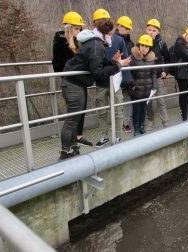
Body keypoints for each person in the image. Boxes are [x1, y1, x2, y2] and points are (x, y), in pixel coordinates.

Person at [59, 15, 131, 160]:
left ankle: (72, 148)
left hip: (74, 83)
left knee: (75, 117)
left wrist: (113, 61)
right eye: (110, 34)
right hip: (74, 85)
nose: (112, 37)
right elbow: (98, 73)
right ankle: (65, 151)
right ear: (106, 34)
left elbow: (100, 63)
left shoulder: (94, 43)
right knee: (72, 120)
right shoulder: (97, 46)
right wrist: (118, 66)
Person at [52, 12, 93, 147]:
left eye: (80, 28)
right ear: (69, 28)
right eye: (76, 28)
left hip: (80, 81)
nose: (79, 31)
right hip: (71, 83)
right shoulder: (61, 42)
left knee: (79, 113)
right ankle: (66, 148)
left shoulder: (77, 41)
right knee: (72, 118)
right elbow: (59, 65)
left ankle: (76, 141)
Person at [94, 12, 133, 147]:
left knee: (117, 109)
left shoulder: (118, 40)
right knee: (102, 110)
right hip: (101, 80)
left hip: (116, 80)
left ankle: (118, 136)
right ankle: (104, 135)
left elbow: (125, 60)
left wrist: (127, 81)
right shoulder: (94, 41)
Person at [145, 18, 170, 130]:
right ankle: (151, 121)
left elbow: (168, 60)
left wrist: (166, 71)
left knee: (161, 100)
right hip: (145, 77)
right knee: (148, 101)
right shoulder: (142, 42)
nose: (151, 32)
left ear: (158, 32)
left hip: (158, 76)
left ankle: (165, 122)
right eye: (149, 29)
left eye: (153, 30)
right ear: (146, 30)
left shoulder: (161, 44)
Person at [129, 34, 156, 135]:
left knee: (143, 109)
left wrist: (154, 87)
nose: (144, 48)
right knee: (136, 109)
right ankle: (136, 127)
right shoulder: (133, 57)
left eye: (147, 46)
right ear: (139, 45)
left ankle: (141, 126)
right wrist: (132, 83)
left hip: (147, 89)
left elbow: (153, 74)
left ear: (150, 48)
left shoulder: (151, 59)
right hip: (136, 89)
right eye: (142, 45)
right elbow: (128, 72)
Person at [115, 16, 135, 133]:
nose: (127, 30)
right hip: (116, 73)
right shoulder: (112, 39)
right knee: (117, 101)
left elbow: (131, 60)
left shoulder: (130, 42)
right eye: (125, 28)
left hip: (126, 74)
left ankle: (125, 123)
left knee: (126, 99)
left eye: (128, 29)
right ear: (119, 26)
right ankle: (117, 125)